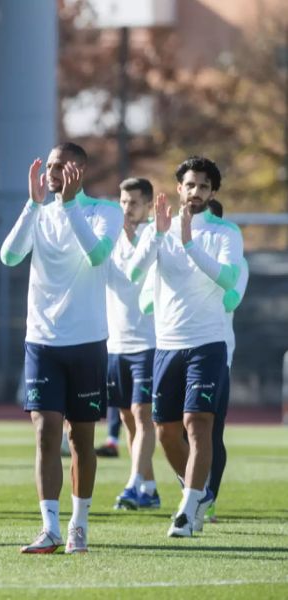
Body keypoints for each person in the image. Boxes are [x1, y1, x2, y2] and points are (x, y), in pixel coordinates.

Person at [0, 142, 123, 554]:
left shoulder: (104, 211)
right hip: (42, 341)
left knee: (81, 439)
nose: (52, 172)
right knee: (45, 432)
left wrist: (70, 207)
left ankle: (79, 525)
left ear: (80, 169)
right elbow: (9, 256)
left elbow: (97, 255)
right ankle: (49, 528)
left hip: (87, 342)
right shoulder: (40, 212)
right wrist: (32, 206)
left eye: (61, 166)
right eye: (49, 166)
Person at [127, 156, 243, 537]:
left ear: (213, 193)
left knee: (199, 425)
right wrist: (160, 235)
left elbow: (227, 280)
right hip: (167, 346)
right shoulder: (159, 230)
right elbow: (134, 273)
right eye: (190, 185)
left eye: (204, 186)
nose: (196, 192)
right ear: (178, 188)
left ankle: (187, 509)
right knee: (165, 432)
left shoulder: (225, 233)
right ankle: (198, 492)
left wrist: (190, 242)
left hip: (208, 344)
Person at [106, 178, 159, 510]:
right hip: (115, 343)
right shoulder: (109, 237)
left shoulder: (156, 235)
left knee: (143, 414)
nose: (127, 209)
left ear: (149, 205)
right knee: (127, 418)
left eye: (135, 203)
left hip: (148, 342)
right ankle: (149, 488)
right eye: (124, 202)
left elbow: (141, 274)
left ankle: (132, 484)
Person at [201, 198, 249, 524]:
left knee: (211, 431)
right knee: (172, 429)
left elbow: (231, 299)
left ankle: (210, 500)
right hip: (176, 348)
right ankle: (193, 492)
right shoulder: (179, 247)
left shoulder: (237, 264)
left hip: (217, 352)